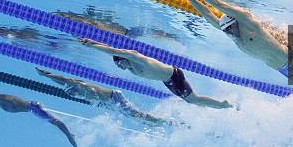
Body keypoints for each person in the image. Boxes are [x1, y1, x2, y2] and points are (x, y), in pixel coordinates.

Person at [78, 38, 232, 109]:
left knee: (193, 99)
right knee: (192, 101)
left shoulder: (135, 58)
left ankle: (222, 104)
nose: (119, 67)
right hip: (167, 81)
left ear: (123, 58)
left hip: (174, 76)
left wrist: (92, 45)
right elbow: (112, 53)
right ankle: (220, 105)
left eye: (119, 63)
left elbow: (113, 50)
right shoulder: (130, 67)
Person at [0, 83, 77, 147]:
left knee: (55, 122)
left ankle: (69, 135)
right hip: (31, 110)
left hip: (33, 107)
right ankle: (69, 135)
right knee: (52, 122)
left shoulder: (2, 99)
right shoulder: (1, 104)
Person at [35, 68, 166, 126]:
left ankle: (165, 121)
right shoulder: (80, 93)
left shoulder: (81, 86)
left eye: (72, 92)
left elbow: (64, 80)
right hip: (111, 103)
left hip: (115, 99)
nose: (72, 95)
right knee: (137, 118)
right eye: (71, 94)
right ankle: (157, 123)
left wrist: (47, 75)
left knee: (138, 115)